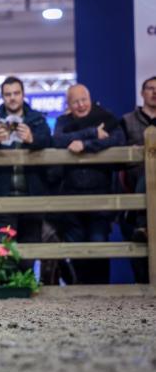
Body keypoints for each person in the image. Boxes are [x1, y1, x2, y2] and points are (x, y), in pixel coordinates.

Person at [52, 84, 124, 284]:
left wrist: (85, 145)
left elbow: (118, 140)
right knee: (76, 248)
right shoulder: (63, 121)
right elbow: (57, 140)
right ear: (69, 104)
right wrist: (92, 132)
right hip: (70, 198)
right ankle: (79, 291)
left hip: (101, 197)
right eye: (75, 102)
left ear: (90, 98)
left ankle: (101, 291)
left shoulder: (106, 116)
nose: (81, 105)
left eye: (84, 100)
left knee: (98, 243)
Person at [0, 76, 51, 244]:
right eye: (8, 94)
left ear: (23, 95)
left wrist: (32, 138)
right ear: (2, 97)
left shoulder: (36, 118)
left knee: (28, 256)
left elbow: (48, 140)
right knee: (3, 255)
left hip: (32, 196)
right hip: (2, 196)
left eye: (16, 93)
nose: (12, 97)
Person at [119, 75, 155, 282]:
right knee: (138, 252)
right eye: (150, 88)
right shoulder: (126, 121)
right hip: (134, 193)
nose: (154, 92)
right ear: (142, 93)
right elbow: (118, 159)